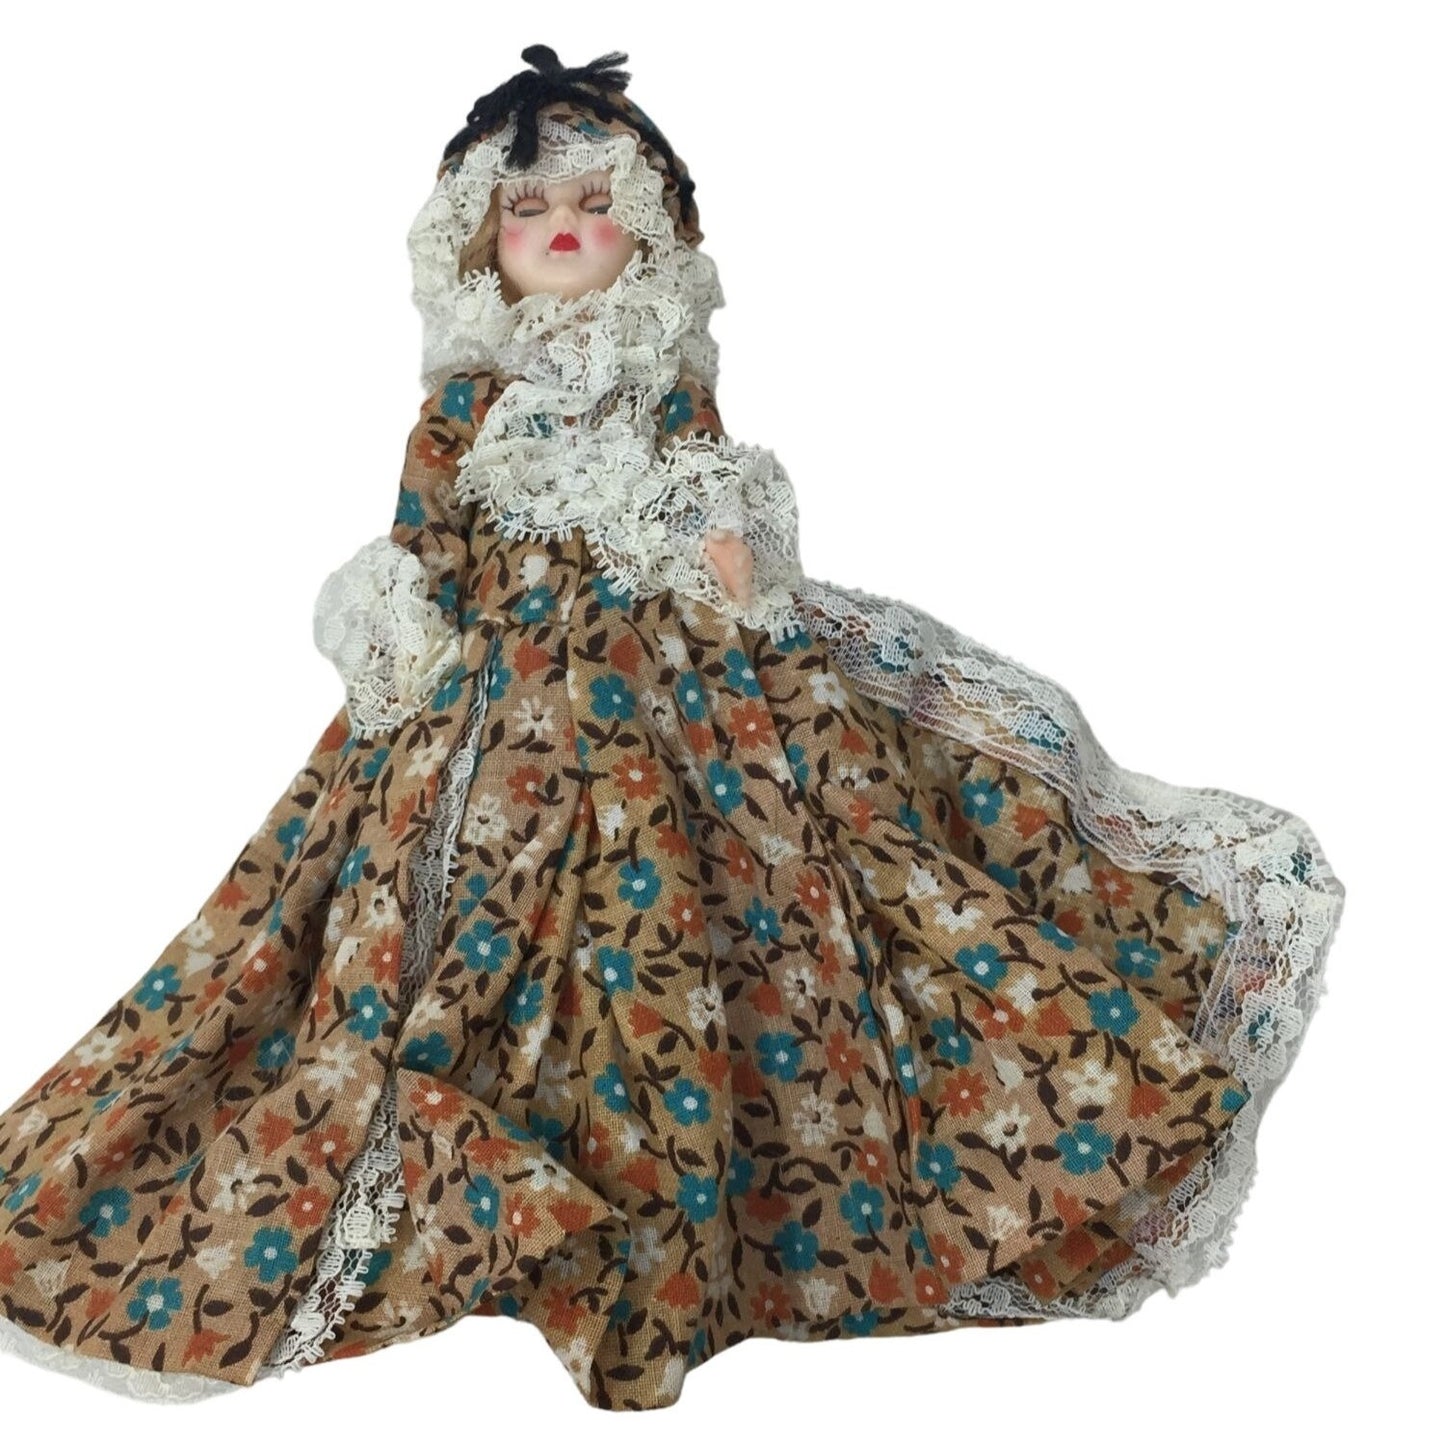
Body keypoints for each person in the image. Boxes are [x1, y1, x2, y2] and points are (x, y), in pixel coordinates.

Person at [0, 45, 1345, 1411]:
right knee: (416, 920)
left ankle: (734, 1204)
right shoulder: (463, 408)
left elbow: (709, 495)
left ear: (644, 229)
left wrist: (724, 547)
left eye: (592, 205)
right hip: (492, 697)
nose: (560, 229)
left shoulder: (661, 380)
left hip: (678, 684)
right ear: (479, 241)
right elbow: (424, 540)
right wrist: (403, 627)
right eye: (528, 210)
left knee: (776, 880)